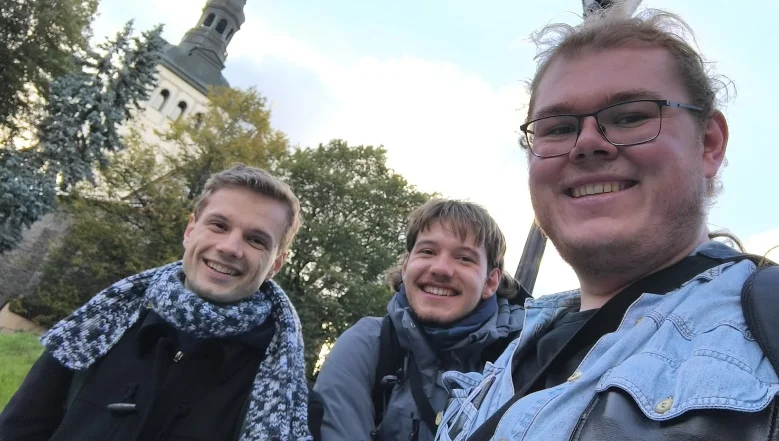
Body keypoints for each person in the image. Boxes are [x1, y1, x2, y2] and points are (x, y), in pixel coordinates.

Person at [435, 4, 779, 441]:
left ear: (708, 144)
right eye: (558, 128)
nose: (588, 143)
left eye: (631, 116)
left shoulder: (766, 327)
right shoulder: (499, 360)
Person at [0, 164, 313, 441]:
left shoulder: (285, 398)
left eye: (256, 240)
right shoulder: (95, 329)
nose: (230, 247)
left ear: (275, 265)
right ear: (190, 230)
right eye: (218, 225)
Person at [313, 198, 527, 441]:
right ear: (406, 266)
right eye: (427, 251)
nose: (441, 269)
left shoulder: (524, 359)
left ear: (490, 282)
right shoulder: (367, 344)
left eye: (464, 258)